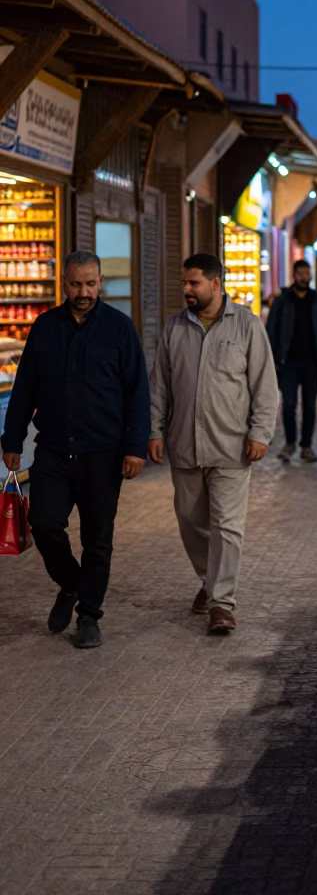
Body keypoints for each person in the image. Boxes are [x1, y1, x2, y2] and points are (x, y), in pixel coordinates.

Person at [1, 251, 150, 650]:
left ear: (100, 282)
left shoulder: (120, 329)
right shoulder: (45, 327)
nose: (82, 292)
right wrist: (11, 440)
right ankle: (71, 584)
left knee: (98, 539)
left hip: (103, 453)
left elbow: (138, 392)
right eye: (74, 284)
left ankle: (88, 617)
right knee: (46, 523)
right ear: (63, 284)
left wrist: (136, 447)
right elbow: (25, 388)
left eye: (89, 283)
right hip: (52, 449)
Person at [148, 253, 278, 634]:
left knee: (227, 525)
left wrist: (260, 433)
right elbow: (160, 388)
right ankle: (209, 580)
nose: (187, 289)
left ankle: (222, 602)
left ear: (216, 284)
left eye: (194, 283)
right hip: (185, 445)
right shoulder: (174, 328)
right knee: (191, 522)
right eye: (185, 283)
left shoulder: (248, 327)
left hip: (232, 446)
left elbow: (265, 388)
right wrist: (154, 431)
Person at [267, 259, 317, 462]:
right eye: (302, 274)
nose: (305, 277)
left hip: (312, 361)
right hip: (288, 362)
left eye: (308, 274)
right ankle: (289, 443)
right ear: (294, 276)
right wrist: (272, 359)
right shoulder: (283, 300)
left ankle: (306, 445)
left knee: (310, 406)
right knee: (288, 404)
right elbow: (272, 330)